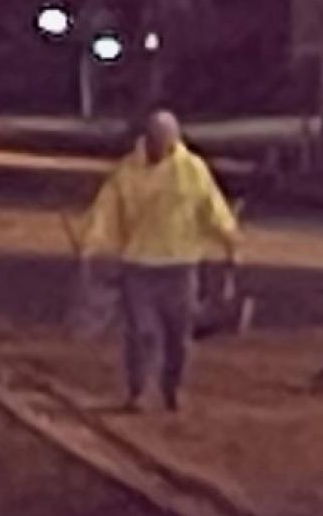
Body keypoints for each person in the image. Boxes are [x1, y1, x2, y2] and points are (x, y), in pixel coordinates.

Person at [78, 110, 240, 412]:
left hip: (181, 267)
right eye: (156, 140)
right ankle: (138, 391)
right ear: (147, 138)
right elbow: (107, 212)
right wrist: (94, 246)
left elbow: (212, 208)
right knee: (142, 333)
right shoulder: (126, 172)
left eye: (166, 141)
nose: (160, 146)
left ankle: (172, 389)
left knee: (179, 337)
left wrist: (230, 239)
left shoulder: (192, 170)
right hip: (138, 266)